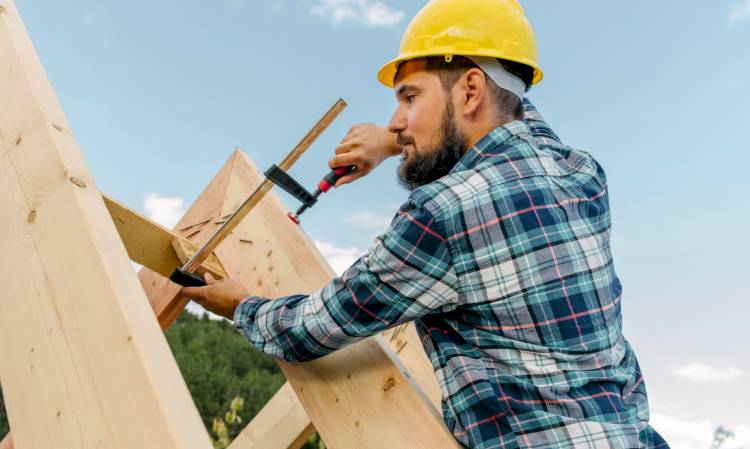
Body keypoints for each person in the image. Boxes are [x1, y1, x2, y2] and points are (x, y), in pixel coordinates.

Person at [181, 0, 669, 447]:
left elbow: (310, 329)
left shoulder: (442, 214)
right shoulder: (581, 173)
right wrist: (397, 142)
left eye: (409, 97)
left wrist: (241, 305)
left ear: (471, 89)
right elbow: (515, 113)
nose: (395, 120)